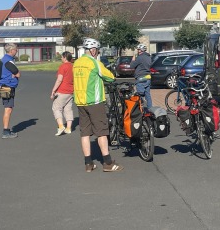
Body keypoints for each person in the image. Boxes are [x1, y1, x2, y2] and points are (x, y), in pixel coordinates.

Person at [73, 38, 123, 172]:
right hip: (94, 102)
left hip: (80, 102)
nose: (98, 52)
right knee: (101, 132)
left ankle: (88, 164)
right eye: (98, 50)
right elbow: (110, 77)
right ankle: (107, 163)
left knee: (85, 133)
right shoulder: (94, 63)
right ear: (93, 50)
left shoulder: (76, 63)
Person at [0, 43, 21, 139]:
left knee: (8, 108)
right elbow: (18, 74)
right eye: (16, 49)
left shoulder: (4, 60)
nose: (17, 51)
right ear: (11, 51)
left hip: (3, 86)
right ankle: (6, 131)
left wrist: (13, 75)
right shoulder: (8, 61)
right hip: (7, 87)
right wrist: (15, 74)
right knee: (8, 109)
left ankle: (6, 130)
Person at [50, 51, 74, 136]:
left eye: (62, 57)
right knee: (68, 109)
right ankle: (68, 128)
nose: (61, 58)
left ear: (64, 57)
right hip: (71, 91)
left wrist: (53, 90)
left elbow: (59, 79)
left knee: (56, 108)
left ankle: (60, 126)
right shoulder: (73, 66)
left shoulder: (63, 66)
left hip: (62, 91)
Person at [130, 43, 152, 108]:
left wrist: (133, 59)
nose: (138, 51)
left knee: (140, 95)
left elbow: (132, 66)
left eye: (138, 49)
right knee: (148, 95)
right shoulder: (149, 57)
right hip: (148, 77)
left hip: (141, 78)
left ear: (140, 50)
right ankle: (150, 109)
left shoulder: (139, 58)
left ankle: (142, 109)